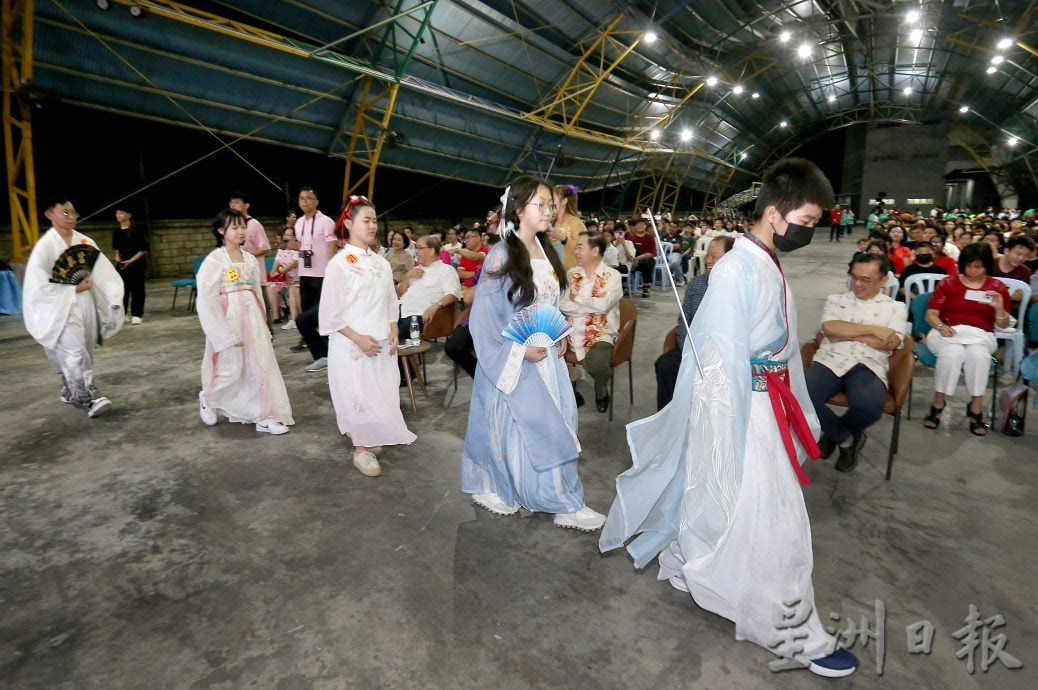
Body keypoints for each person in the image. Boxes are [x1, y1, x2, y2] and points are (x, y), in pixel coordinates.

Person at [600, 158, 860, 678]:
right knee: (773, 520)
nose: (810, 231)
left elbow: (779, 344)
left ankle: (685, 564)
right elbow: (717, 357)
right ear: (773, 212)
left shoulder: (763, 259)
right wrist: (727, 429)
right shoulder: (738, 268)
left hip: (764, 401)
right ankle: (793, 630)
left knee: (732, 502)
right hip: (745, 406)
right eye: (806, 221)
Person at [461, 175, 605, 532]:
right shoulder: (501, 254)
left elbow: (548, 303)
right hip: (516, 360)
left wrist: (557, 337)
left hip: (547, 360)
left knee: (555, 424)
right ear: (519, 209)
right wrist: (518, 351)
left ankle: (561, 499)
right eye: (541, 204)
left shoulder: (544, 249)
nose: (549, 210)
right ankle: (502, 486)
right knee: (513, 431)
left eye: (550, 204)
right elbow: (486, 317)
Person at [319, 196, 416, 477]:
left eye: (375, 220)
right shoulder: (339, 264)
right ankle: (361, 450)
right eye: (366, 220)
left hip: (382, 340)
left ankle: (371, 436)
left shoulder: (380, 262)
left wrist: (394, 327)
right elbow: (329, 315)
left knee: (381, 390)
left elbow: (390, 300)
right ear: (348, 224)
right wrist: (358, 338)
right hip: (354, 344)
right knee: (357, 393)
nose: (373, 225)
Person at [805, 253, 907, 472]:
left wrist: (847, 332)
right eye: (854, 277)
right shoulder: (836, 300)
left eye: (866, 280)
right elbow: (830, 329)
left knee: (869, 407)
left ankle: (833, 434)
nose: (858, 284)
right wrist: (873, 329)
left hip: (868, 364)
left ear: (883, 280)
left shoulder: (896, 308)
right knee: (801, 396)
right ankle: (846, 439)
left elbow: (891, 342)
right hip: (830, 360)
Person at [23, 196, 123, 418]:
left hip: (86, 305)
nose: (71, 217)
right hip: (60, 308)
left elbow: (103, 272)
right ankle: (87, 396)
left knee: (85, 349)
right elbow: (37, 286)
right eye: (65, 212)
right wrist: (72, 288)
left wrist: (113, 296)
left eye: (73, 212)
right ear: (50, 215)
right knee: (74, 351)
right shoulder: (45, 248)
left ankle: (69, 389)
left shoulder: (84, 242)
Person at [196, 209, 293, 435]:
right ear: (222, 231)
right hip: (230, 320)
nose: (241, 232)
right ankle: (208, 398)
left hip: (253, 319)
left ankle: (262, 414)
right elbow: (207, 299)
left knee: (259, 365)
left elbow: (257, 293)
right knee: (230, 368)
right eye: (235, 227)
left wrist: (265, 324)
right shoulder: (215, 260)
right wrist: (221, 333)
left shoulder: (250, 258)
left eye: (242, 227)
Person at [922, 243, 1012, 435]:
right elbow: (930, 314)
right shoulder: (948, 283)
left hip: (981, 335)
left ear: (987, 265)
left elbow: (1003, 325)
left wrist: (998, 308)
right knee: (952, 353)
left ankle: (976, 406)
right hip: (946, 332)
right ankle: (938, 402)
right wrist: (940, 326)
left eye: (978, 266)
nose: (973, 271)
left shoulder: (998, 288)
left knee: (978, 356)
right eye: (969, 265)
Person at [654, 235, 734, 410]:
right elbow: (684, 321)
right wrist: (687, 349)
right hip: (692, 348)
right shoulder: (697, 284)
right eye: (707, 255)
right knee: (665, 365)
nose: (708, 260)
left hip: (723, 354)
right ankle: (669, 419)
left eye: (715, 256)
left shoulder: (737, 287)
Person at [559, 231, 623, 413]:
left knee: (598, 365)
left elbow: (603, 305)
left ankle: (601, 390)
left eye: (580, 247)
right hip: (569, 332)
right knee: (546, 355)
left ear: (595, 251)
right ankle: (569, 390)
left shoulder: (612, 276)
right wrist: (588, 302)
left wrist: (576, 299)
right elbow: (563, 304)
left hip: (600, 333)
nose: (575, 251)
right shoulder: (572, 274)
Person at [293, 186, 338, 370]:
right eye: (301, 198)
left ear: (316, 201)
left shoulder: (325, 221)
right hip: (305, 274)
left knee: (325, 316)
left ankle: (333, 351)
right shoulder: (299, 223)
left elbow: (332, 247)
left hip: (322, 275)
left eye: (308, 198)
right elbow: (301, 246)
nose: (304, 201)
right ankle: (321, 354)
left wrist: (332, 272)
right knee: (308, 316)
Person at [396, 235, 461, 339]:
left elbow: (452, 294)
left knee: (396, 337)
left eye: (420, 248)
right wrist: (407, 277)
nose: (416, 251)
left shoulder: (446, 270)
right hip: (399, 309)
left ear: (431, 251)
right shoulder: (415, 269)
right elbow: (399, 294)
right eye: (416, 248)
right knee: (380, 331)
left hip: (419, 313)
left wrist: (435, 306)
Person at [229, 192, 272, 326]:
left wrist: (244, 256)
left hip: (254, 276)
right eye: (231, 202)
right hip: (235, 276)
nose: (233, 205)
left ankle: (267, 336)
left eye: (236, 202)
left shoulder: (254, 224)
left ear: (247, 205)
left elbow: (265, 248)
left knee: (261, 308)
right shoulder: (228, 225)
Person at [111, 206, 148, 325]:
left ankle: (137, 314)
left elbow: (143, 250)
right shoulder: (116, 231)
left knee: (137, 289)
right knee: (122, 289)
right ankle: (123, 313)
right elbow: (116, 248)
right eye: (117, 213)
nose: (118, 215)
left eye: (121, 213)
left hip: (137, 263)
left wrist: (130, 261)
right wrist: (117, 257)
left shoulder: (136, 229)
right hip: (122, 264)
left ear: (129, 215)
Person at [267, 226, 300, 329]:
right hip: (283, 279)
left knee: (292, 289)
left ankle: (293, 319)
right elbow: (275, 265)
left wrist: (281, 270)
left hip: (296, 279)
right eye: (286, 235)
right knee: (270, 288)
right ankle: (279, 313)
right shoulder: (281, 250)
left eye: (290, 235)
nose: (287, 237)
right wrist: (274, 272)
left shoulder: (297, 248)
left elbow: (294, 263)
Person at [551, 184, 583, 270]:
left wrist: (564, 238)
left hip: (571, 273)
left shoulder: (575, 222)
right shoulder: (551, 221)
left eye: (554, 198)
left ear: (564, 201)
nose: (550, 201)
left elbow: (584, 248)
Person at [627, 217, 656, 298]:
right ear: (635, 226)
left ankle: (646, 287)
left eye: (642, 224)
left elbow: (651, 253)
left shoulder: (649, 237)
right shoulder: (631, 238)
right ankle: (625, 286)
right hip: (633, 260)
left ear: (646, 226)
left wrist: (637, 259)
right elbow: (628, 251)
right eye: (638, 224)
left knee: (648, 262)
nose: (640, 226)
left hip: (645, 260)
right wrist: (632, 260)